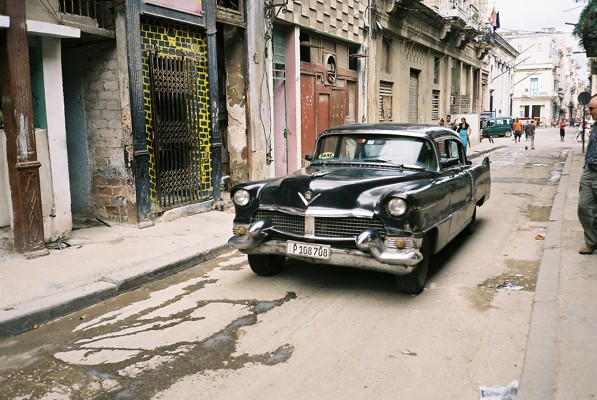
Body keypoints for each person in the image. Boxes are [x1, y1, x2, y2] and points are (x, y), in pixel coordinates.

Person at [577, 94, 597, 255]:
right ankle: (592, 241)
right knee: (584, 207)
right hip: (590, 171)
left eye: (592, 108)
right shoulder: (595, 125)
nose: (589, 111)